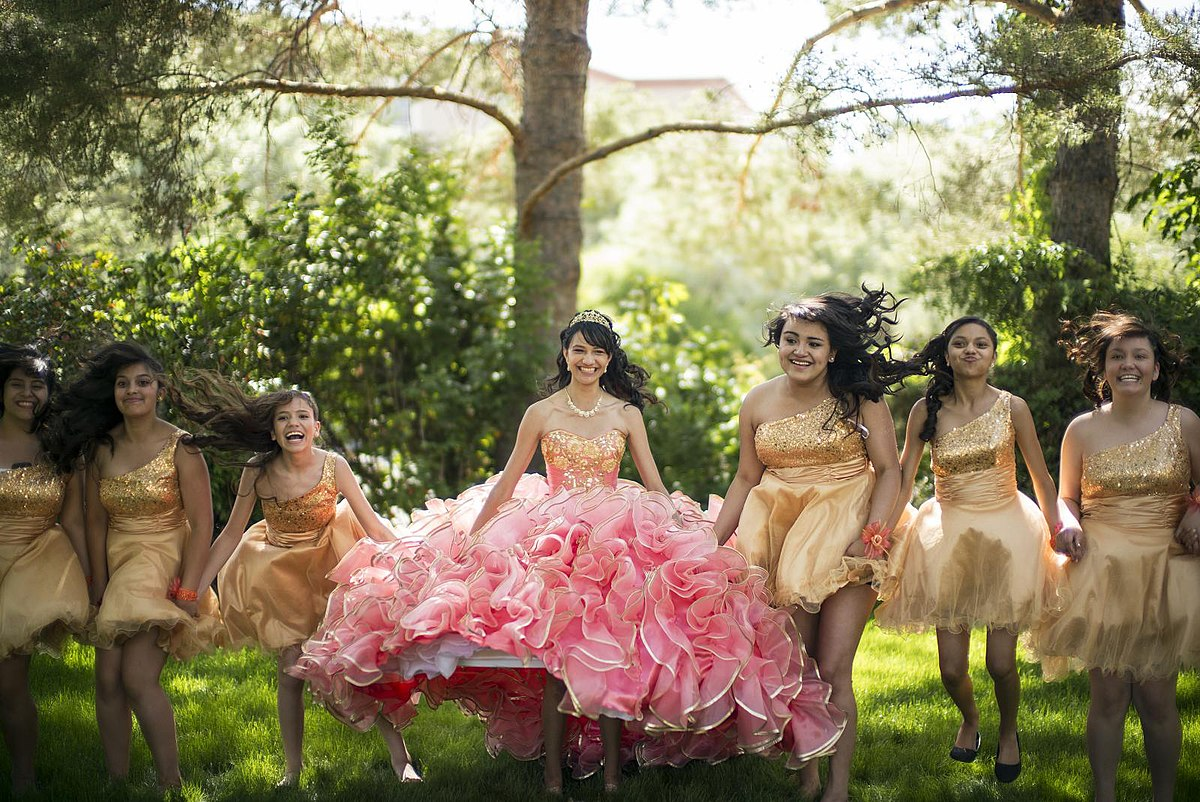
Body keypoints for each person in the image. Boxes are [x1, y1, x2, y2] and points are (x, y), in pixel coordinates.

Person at [296, 309, 846, 795]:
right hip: (549, 522)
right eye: (579, 349)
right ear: (566, 353)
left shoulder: (626, 414)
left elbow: (652, 482)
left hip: (615, 523)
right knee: (546, 623)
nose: (588, 359)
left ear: (609, 360)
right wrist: (476, 532)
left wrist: (683, 525)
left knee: (620, 623)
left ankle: (611, 758)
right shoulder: (541, 412)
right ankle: (560, 762)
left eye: (598, 351)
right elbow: (511, 480)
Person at [711, 288, 912, 802]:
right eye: (791, 339)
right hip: (780, 529)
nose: (800, 350)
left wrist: (874, 534)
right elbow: (744, 478)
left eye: (814, 343)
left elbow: (888, 470)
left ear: (833, 352)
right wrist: (710, 542)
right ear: (778, 343)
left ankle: (837, 789)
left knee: (835, 665)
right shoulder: (756, 401)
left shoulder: (859, 397)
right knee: (798, 664)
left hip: (848, 526)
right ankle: (809, 777)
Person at [171, 377, 419, 787]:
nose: (293, 423)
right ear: (272, 431)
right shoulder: (258, 470)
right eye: (283, 418)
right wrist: (195, 586)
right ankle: (292, 770)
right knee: (290, 672)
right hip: (282, 571)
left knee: (359, 660)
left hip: (333, 559)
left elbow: (371, 522)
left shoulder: (333, 465)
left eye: (302, 415)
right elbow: (231, 533)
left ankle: (401, 760)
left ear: (316, 427)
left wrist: (410, 557)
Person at [874, 316, 1063, 783]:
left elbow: (1039, 476)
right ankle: (972, 719)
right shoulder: (926, 409)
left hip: (1007, 533)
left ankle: (1009, 732)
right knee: (951, 668)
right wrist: (882, 531)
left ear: (993, 355)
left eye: (981, 344)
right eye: (961, 344)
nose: (971, 350)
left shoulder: (1012, 407)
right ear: (949, 354)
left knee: (1000, 662)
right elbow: (903, 475)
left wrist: (1059, 527)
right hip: (948, 536)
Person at [1032, 312, 1200, 802]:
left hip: (1166, 566)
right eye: (1118, 356)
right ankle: (1104, 795)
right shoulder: (1082, 429)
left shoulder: (1184, 421)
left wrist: (1197, 510)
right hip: (1103, 567)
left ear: (1155, 367)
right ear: (1102, 368)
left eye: (1139, 356)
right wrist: (1069, 524)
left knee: (1156, 696)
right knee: (1107, 696)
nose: (1129, 364)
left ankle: (1163, 796)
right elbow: (1067, 497)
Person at [49, 342, 222, 789]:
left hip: (164, 558)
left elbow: (203, 525)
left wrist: (188, 592)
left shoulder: (182, 447)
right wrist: (97, 586)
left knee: (137, 676)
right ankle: (117, 782)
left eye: (142, 382)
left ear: (158, 389)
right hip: (119, 561)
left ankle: (171, 783)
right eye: (123, 384)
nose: (132, 390)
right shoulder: (101, 448)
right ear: (113, 393)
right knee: (106, 678)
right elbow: (94, 519)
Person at [0, 345, 90, 794]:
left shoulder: (59, 447)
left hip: (34, 562)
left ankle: (24, 779)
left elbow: (72, 520)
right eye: (17, 383)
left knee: (9, 678)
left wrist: (92, 582)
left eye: (37, 385)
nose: (27, 393)